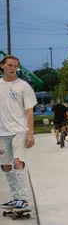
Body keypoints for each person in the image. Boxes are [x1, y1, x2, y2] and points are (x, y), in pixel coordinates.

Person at [0, 55, 37, 212]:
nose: (12, 68)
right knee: (6, 165)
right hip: (2, 132)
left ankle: (23, 199)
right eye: (9, 65)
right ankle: (15, 197)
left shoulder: (24, 86)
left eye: (15, 66)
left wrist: (31, 133)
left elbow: (29, 112)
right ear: (2, 65)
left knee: (17, 162)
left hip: (19, 131)